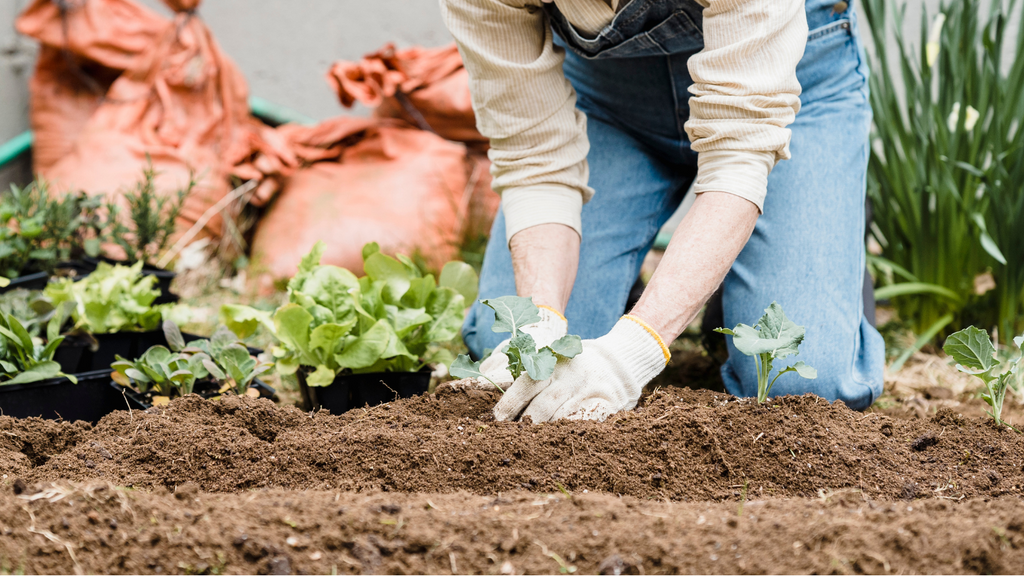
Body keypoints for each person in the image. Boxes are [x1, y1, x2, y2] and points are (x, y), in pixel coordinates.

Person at [440, 0, 885, 421]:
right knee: (510, 355)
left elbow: (739, 154)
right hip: (607, 100)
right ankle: (654, 281)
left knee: (800, 384)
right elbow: (536, 160)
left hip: (784, 85)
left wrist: (628, 356)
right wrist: (539, 325)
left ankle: (785, 251)